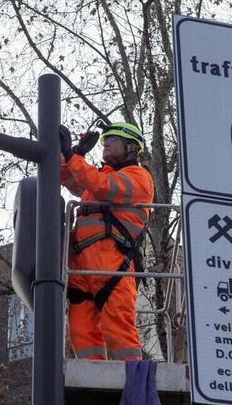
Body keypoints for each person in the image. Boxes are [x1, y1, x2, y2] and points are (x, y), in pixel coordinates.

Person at [59, 121, 154, 361]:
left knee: (119, 330)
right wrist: (76, 152)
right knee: (81, 331)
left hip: (114, 264)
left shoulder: (139, 177)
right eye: (103, 142)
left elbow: (102, 187)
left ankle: (135, 384)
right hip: (83, 265)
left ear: (131, 148)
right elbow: (63, 176)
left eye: (111, 141)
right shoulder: (99, 175)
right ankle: (92, 381)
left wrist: (73, 156)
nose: (105, 146)